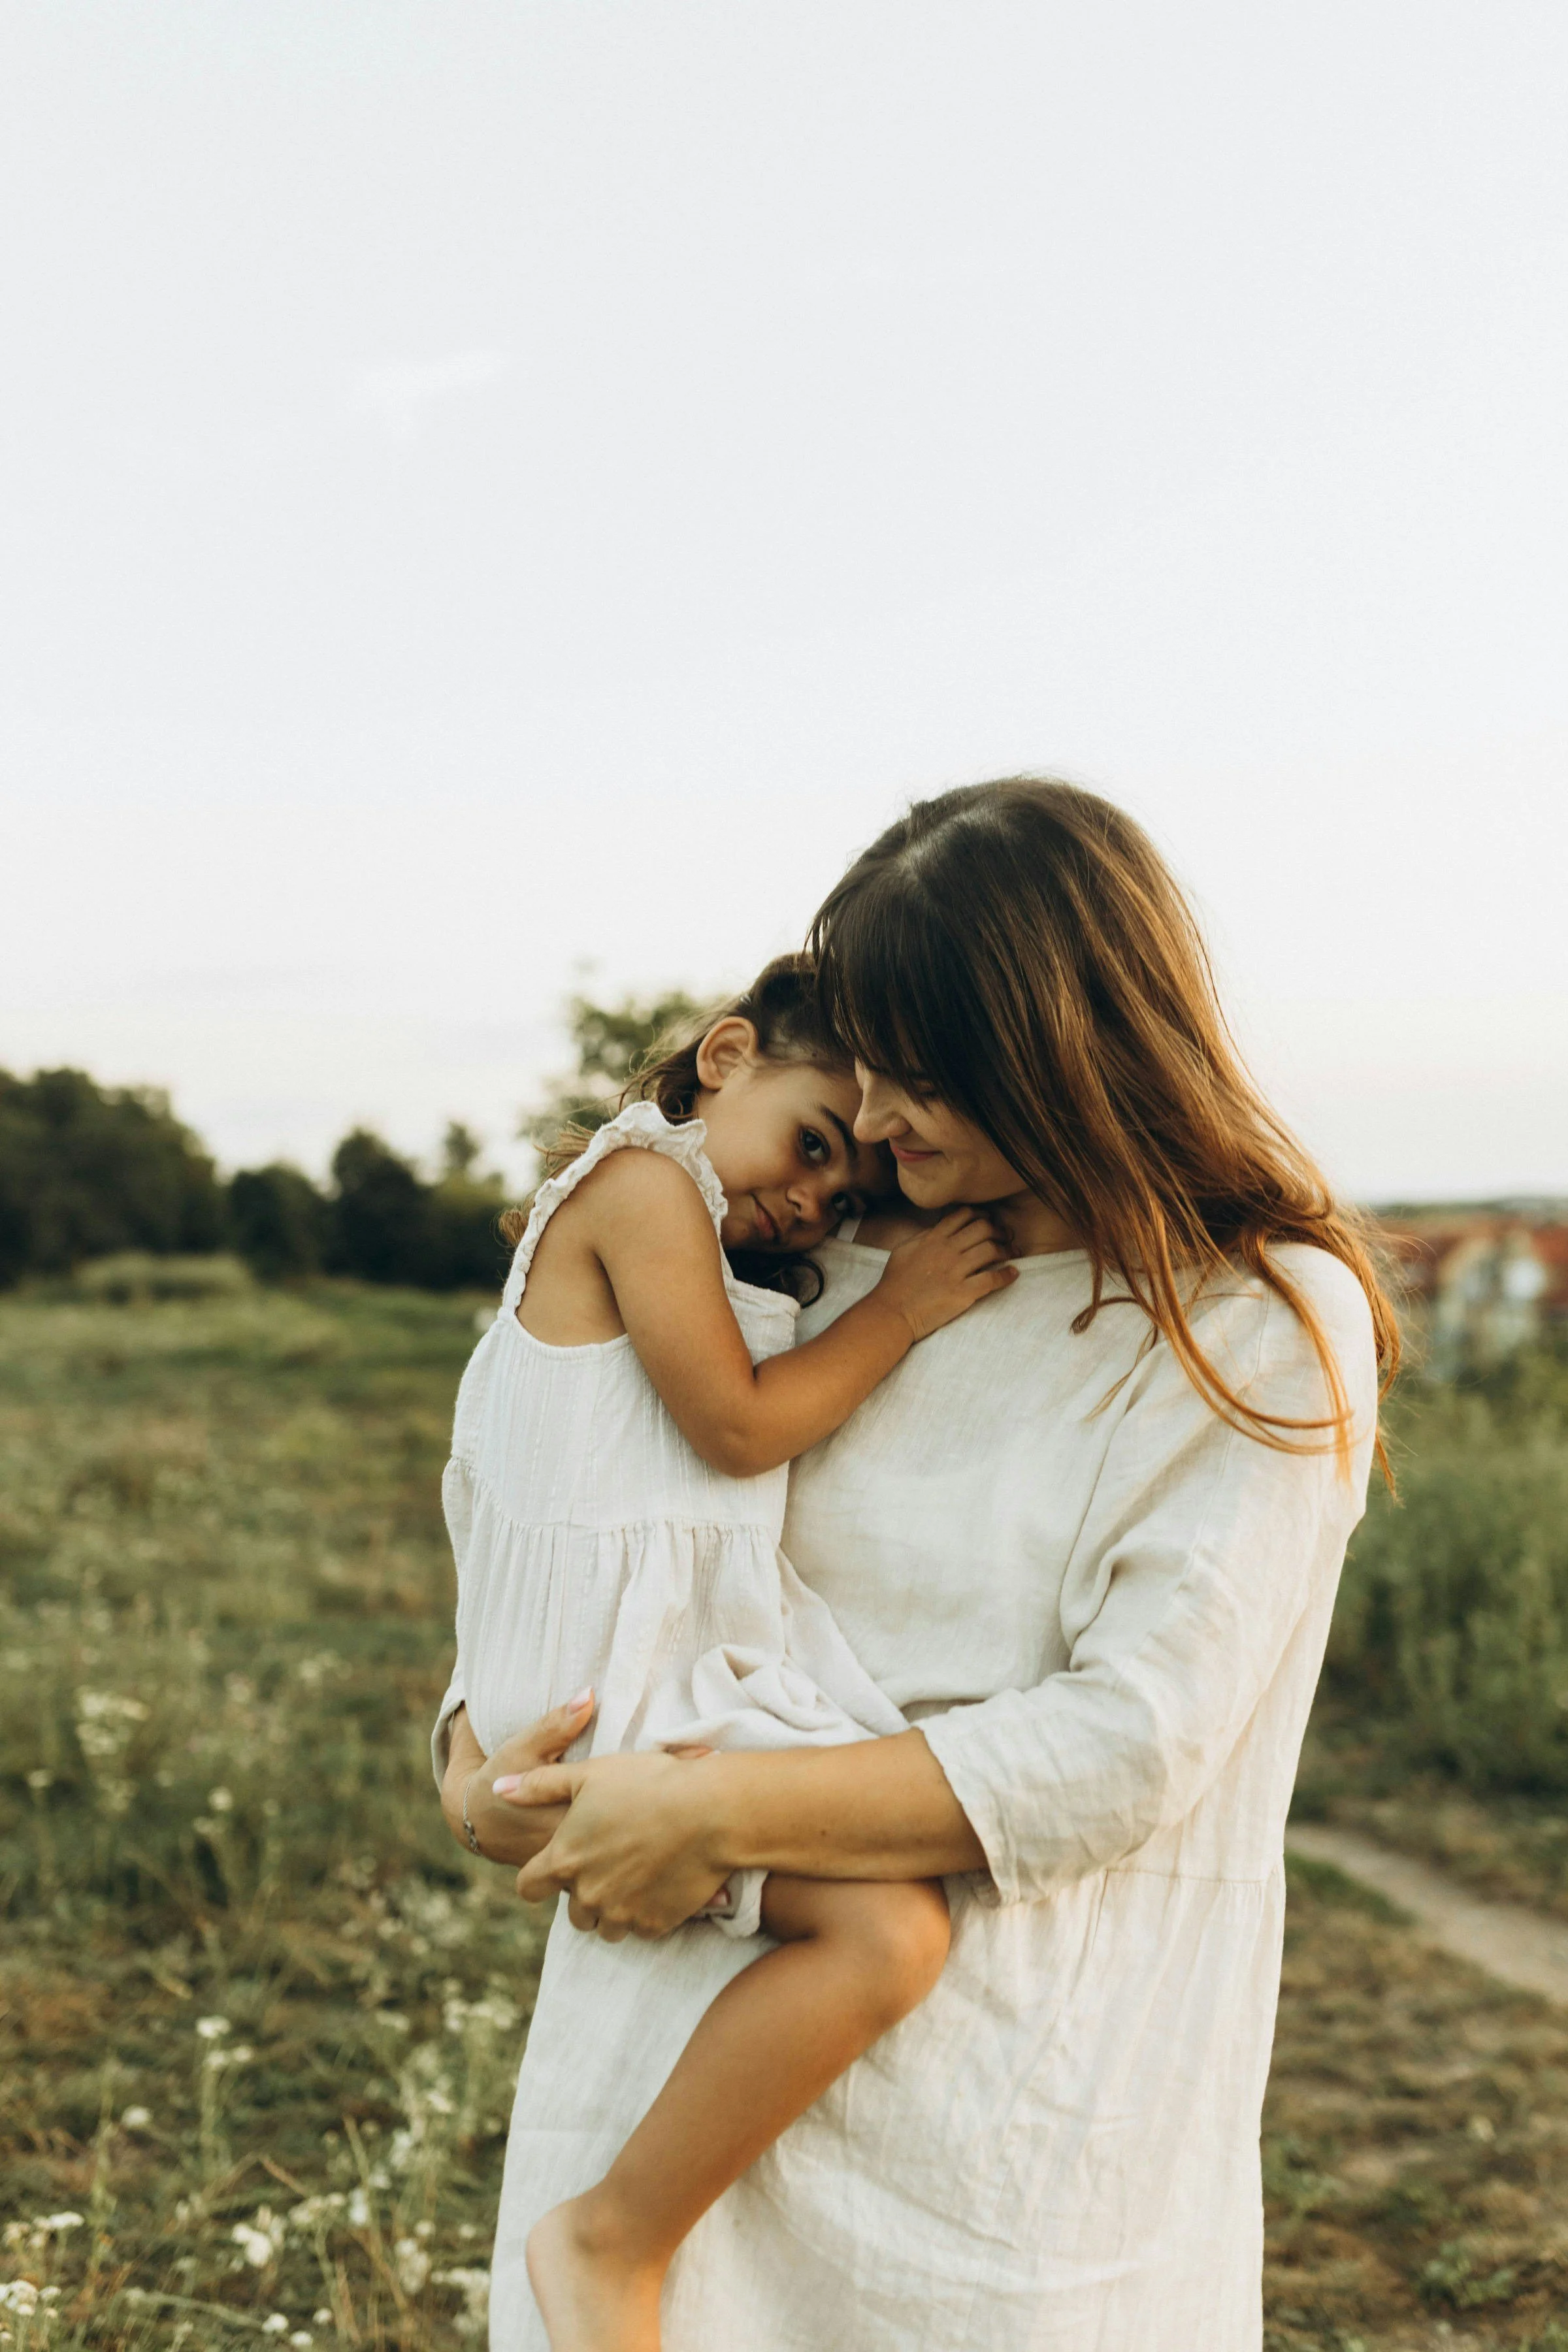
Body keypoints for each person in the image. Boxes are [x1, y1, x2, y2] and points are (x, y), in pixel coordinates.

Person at [442, 779, 1400, 2352]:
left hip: (1001, 2153)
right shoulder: (807, 1257)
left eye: (922, 1073)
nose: (874, 1124)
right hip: (655, 2088)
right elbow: (567, 1515)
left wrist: (708, 1809)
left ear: (1064, 1044)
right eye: (869, 1068)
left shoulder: (1255, 1317)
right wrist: (478, 1772)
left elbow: (1130, 1742)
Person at [434, 952, 1014, 2350]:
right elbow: (739, 1428)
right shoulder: (641, 1187)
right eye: (816, 1143)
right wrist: (900, 1308)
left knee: (883, 1919)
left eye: (847, 1194)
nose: (818, 1198)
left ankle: (621, 2232)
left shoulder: (692, 1229)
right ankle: (614, 2238)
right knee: (887, 1929)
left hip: (600, 1675)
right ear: (725, 1056)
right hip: (604, 1686)